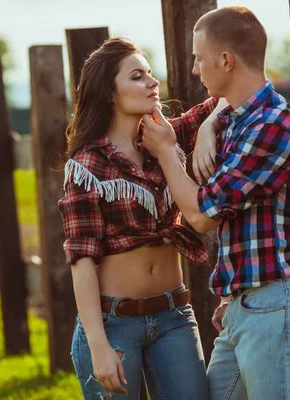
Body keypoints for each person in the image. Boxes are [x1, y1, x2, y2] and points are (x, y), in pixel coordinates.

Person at [141, 6, 290, 400]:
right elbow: (222, 108)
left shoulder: (275, 126)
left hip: (278, 301)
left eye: (199, 58)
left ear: (226, 60)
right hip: (248, 304)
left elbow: (201, 214)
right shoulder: (237, 118)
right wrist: (211, 122)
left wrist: (165, 152)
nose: (194, 70)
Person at [58, 37, 219, 399]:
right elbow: (81, 260)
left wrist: (207, 129)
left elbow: (229, 96)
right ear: (110, 93)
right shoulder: (87, 165)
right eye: (137, 76)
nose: (152, 82)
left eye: (149, 73)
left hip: (174, 315)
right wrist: (98, 345)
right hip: (113, 323)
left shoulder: (166, 137)